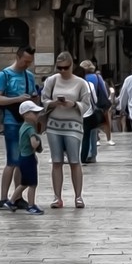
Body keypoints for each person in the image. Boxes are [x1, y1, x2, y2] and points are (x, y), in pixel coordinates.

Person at [40, 52, 93, 209]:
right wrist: (53, 103)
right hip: (54, 125)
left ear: (72, 66)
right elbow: (43, 99)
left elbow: (87, 103)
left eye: (65, 68)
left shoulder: (81, 83)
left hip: (73, 125)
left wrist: (74, 105)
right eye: (59, 68)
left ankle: (78, 196)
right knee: (57, 161)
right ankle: (57, 197)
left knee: (74, 161)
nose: (62, 71)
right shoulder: (52, 80)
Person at [0, 46, 41, 210]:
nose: (27, 64)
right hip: (12, 121)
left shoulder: (29, 76)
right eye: (25, 61)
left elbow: (34, 95)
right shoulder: (3, 75)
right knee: (12, 160)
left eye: (30, 62)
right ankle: (3, 198)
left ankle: (17, 197)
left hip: (26, 122)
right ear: (18, 57)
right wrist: (17, 99)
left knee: (23, 160)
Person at [10, 101, 45, 212]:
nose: (37, 115)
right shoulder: (30, 128)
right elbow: (33, 143)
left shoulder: (23, 127)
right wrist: (38, 141)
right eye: (34, 113)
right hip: (28, 158)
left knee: (24, 183)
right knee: (32, 184)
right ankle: (31, 205)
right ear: (25, 114)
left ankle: (11, 201)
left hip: (22, 157)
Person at [78, 59, 106, 165]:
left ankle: (84, 154)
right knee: (93, 132)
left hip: (80, 111)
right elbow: (100, 95)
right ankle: (93, 154)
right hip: (92, 110)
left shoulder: (78, 81)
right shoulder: (97, 78)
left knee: (83, 135)